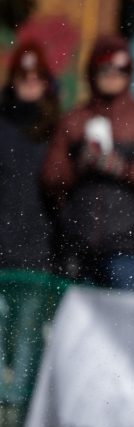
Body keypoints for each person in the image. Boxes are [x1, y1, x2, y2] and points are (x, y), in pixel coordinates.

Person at [42, 35, 134, 290]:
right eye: (105, 69)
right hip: (78, 246)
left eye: (121, 69)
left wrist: (123, 168)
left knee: (122, 326)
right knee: (76, 327)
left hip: (126, 247)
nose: (112, 75)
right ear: (92, 71)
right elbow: (51, 177)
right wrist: (79, 168)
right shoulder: (75, 119)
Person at [0, 43, 60, 272]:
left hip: (40, 250)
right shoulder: (3, 124)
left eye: (38, 76)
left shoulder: (56, 128)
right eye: (24, 76)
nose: (31, 82)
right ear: (13, 79)